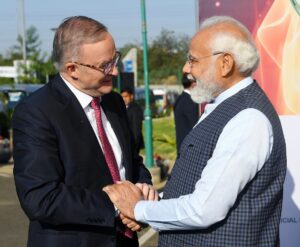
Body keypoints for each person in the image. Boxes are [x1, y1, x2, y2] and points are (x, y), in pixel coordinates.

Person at [102, 15, 287, 247]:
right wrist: (154, 202)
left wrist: (137, 209)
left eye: (193, 60)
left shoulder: (248, 118)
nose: (186, 68)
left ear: (225, 63)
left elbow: (204, 209)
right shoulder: (228, 107)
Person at [12, 16, 156, 247]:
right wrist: (117, 206)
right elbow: (40, 197)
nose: (115, 71)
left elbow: (131, 162)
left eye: (115, 59)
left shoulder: (114, 102)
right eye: (105, 65)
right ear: (72, 69)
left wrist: (143, 189)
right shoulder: (36, 112)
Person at [173, 73, 199, 154]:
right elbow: (195, 124)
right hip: (189, 147)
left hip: (181, 143)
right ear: (193, 84)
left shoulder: (180, 99)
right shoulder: (189, 101)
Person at [121, 88, 144, 155]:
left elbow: (136, 128)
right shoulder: (122, 107)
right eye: (122, 97)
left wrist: (134, 144)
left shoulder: (135, 109)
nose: (124, 99)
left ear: (131, 96)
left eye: (126, 96)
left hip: (133, 143)